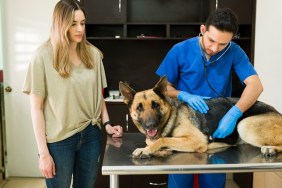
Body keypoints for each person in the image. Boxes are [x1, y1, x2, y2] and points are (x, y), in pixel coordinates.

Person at [156, 8, 263, 188]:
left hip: (217, 127)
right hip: (183, 128)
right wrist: (183, 95)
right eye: (211, 40)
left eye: (222, 44)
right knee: (179, 181)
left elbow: (256, 85)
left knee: (213, 182)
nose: (214, 48)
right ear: (203, 29)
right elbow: (164, 88)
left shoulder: (234, 52)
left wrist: (235, 113)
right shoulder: (180, 50)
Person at [22, 0, 123, 187]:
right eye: (73, 24)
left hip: (91, 135)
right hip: (59, 141)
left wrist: (107, 124)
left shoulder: (93, 54)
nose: (80, 29)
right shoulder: (41, 57)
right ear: (61, 24)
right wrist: (43, 154)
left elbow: (98, 96)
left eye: (82, 23)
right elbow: (36, 109)